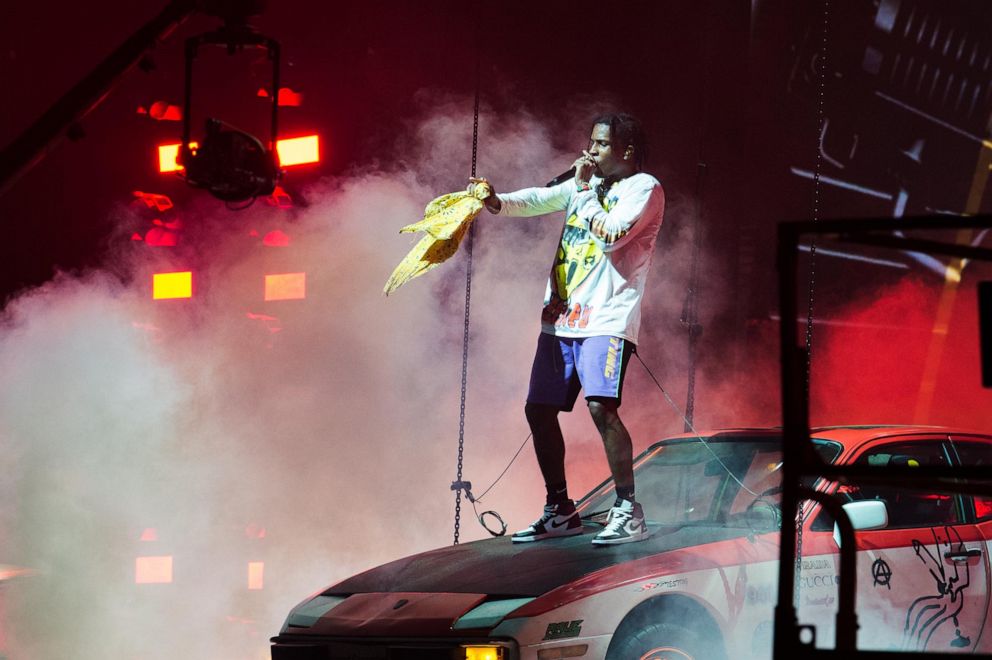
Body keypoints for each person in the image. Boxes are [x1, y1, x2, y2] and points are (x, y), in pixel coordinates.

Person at [469, 113, 665, 545]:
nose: (590, 151)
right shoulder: (586, 187)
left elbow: (612, 235)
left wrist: (582, 190)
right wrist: (495, 201)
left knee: (600, 407)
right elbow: (540, 198)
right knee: (538, 410)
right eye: (590, 142)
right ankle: (559, 509)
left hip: (607, 320)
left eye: (600, 144)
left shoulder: (645, 189)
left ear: (626, 150)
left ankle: (628, 508)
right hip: (561, 321)